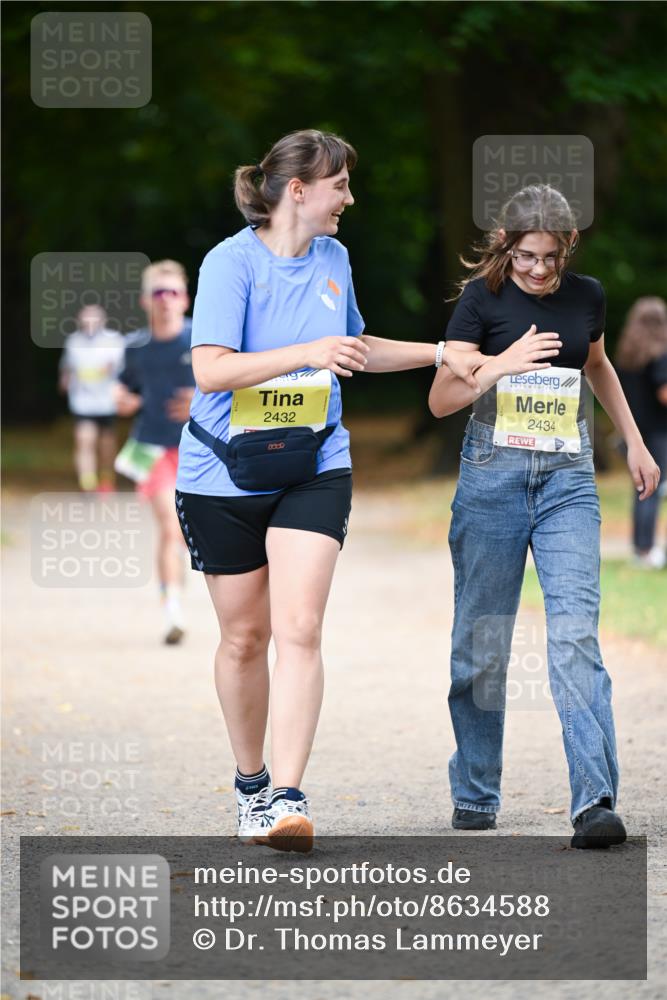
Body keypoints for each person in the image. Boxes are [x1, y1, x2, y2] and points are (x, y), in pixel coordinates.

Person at [175, 129, 483, 852]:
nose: (349, 197)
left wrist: (442, 352)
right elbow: (213, 371)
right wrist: (305, 353)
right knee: (244, 638)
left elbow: (356, 348)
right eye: (340, 184)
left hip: (315, 462)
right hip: (223, 471)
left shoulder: (334, 259)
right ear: (299, 190)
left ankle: (286, 797)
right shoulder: (230, 262)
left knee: (301, 627)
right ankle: (249, 788)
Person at [428, 184, 660, 849]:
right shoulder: (480, 301)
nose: (537, 269)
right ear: (506, 246)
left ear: (566, 250)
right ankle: (474, 792)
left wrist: (636, 442)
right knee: (481, 646)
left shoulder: (585, 296)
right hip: (490, 478)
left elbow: (596, 364)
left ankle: (593, 801)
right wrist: (499, 364)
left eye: (549, 257)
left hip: (566, 480)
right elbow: (442, 399)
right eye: (526, 255)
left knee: (575, 636)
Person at [114, 260, 196, 645]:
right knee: (169, 524)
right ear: (146, 300)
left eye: (173, 292)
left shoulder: (202, 341)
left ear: (186, 299)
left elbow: (235, 385)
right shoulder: (134, 348)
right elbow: (121, 391)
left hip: (200, 448)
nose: (166, 300)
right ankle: (172, 611)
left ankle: (176, 578)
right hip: (150, 447)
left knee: (188, 530)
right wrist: (121, 400)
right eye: (158, 293)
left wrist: (201, 399)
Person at [615, 297, 667, 569]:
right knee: (653, 489)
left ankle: (640, 547)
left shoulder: (627, 355)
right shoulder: (660, 353)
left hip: (632, 433)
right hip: (658, 433)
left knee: (641, 490)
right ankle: (647, 551)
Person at [58, 304, 125, 493]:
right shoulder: (73, 342)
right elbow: (66, 366)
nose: (89, 322)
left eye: (93, 318)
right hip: (82, 402)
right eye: (85, 318)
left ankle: (106, 478)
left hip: (106, 402)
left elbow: (122, 368)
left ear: (102, 321)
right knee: (84, 439)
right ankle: (87, 483)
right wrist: (64, 379)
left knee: (106, 444)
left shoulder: (114, 341)